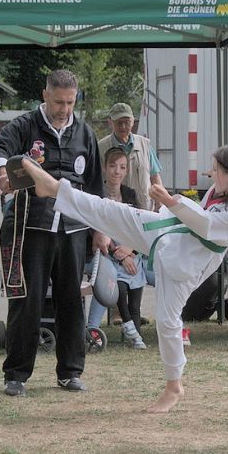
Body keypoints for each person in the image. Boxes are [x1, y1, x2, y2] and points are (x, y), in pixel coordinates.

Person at [19, 146, 228, 413]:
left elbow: (205, 224)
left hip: (185, 265)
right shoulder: (219, 189)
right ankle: (55, 189)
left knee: (168, 322)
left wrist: (170, 200)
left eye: (215, 169)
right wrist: (169, 203)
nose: (211, 173)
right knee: (113, 211)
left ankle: (174, 387)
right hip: (167, 236)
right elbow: (194, 217)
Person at [0, 69, 103, 397]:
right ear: (45, 95)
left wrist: (101, 231)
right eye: (58, 102)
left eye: (70, 103)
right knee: (28, 301)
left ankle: (70, 372)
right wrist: (3, 173)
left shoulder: (85, 133)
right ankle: (16, 375)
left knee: (72, 301)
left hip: (74, 228)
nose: (64, 109)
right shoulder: (25, 126)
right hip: (32, 226)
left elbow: (95, 187)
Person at [86, 148, 149, 350]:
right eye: (112, 166)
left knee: (158, 273)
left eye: (122, 167)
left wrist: (131, 251)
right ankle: (92, 330)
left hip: (130, 254)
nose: (117, 171)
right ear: (104, 168)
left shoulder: (130, 194)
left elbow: (140, 228)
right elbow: (95, 231)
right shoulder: (96, 195)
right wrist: (120, 255)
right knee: (107, 280)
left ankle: (149, 332)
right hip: (103, 253)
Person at [97, 103, 163, 211]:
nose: (123, 126)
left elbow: (155, 177)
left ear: (132, 122)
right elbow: (97, 181)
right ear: (110, 123)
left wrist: (159, 204)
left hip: (145, 210)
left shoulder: (144, 145)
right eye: (119, 123)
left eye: (127, 122)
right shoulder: (101, 148)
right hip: (115, 210)